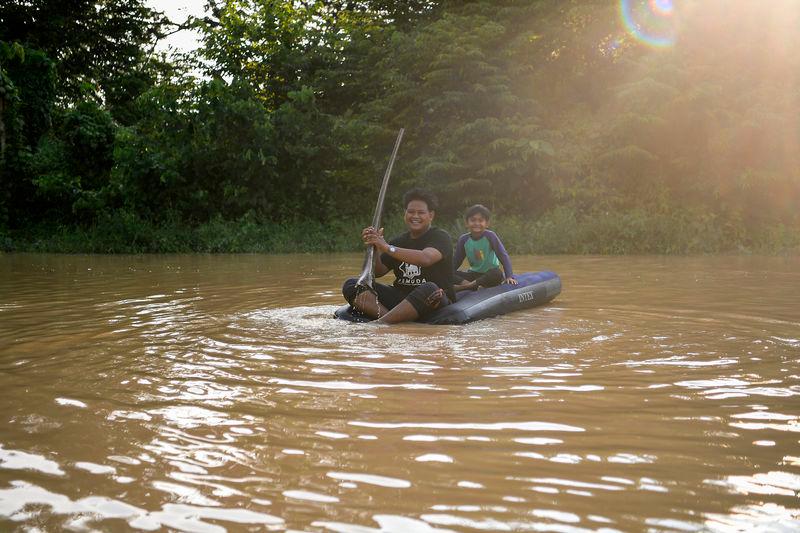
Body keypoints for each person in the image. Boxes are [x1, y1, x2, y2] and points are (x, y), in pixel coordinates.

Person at [342, 188, 455, 324]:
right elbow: (378, 272)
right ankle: (388, 319)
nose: (415, 216)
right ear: (405, 214)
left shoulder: (440, 237)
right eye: (411, 212)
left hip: (433, 297)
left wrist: (386, 247)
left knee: (430, 288)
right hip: (402, 297)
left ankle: (382, 324)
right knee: (353, 284)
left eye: (421, 213)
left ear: (431, 215)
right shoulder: (399, 241)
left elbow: (426, 258)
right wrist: (375, 247)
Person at [453, 204, 517, 292]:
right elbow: (456, 261)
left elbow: (503, 256)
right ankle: (473, 286)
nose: (476, 223)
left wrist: (509, 276)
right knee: (448, 273)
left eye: (480, 220)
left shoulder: (490, 236)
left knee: (497, 273)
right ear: (467, 223)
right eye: (473, 220)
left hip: (490, 275)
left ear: (487, 224)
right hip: (473, 275)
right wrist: (448, 274)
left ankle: (467, 286)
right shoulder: (463, 239)